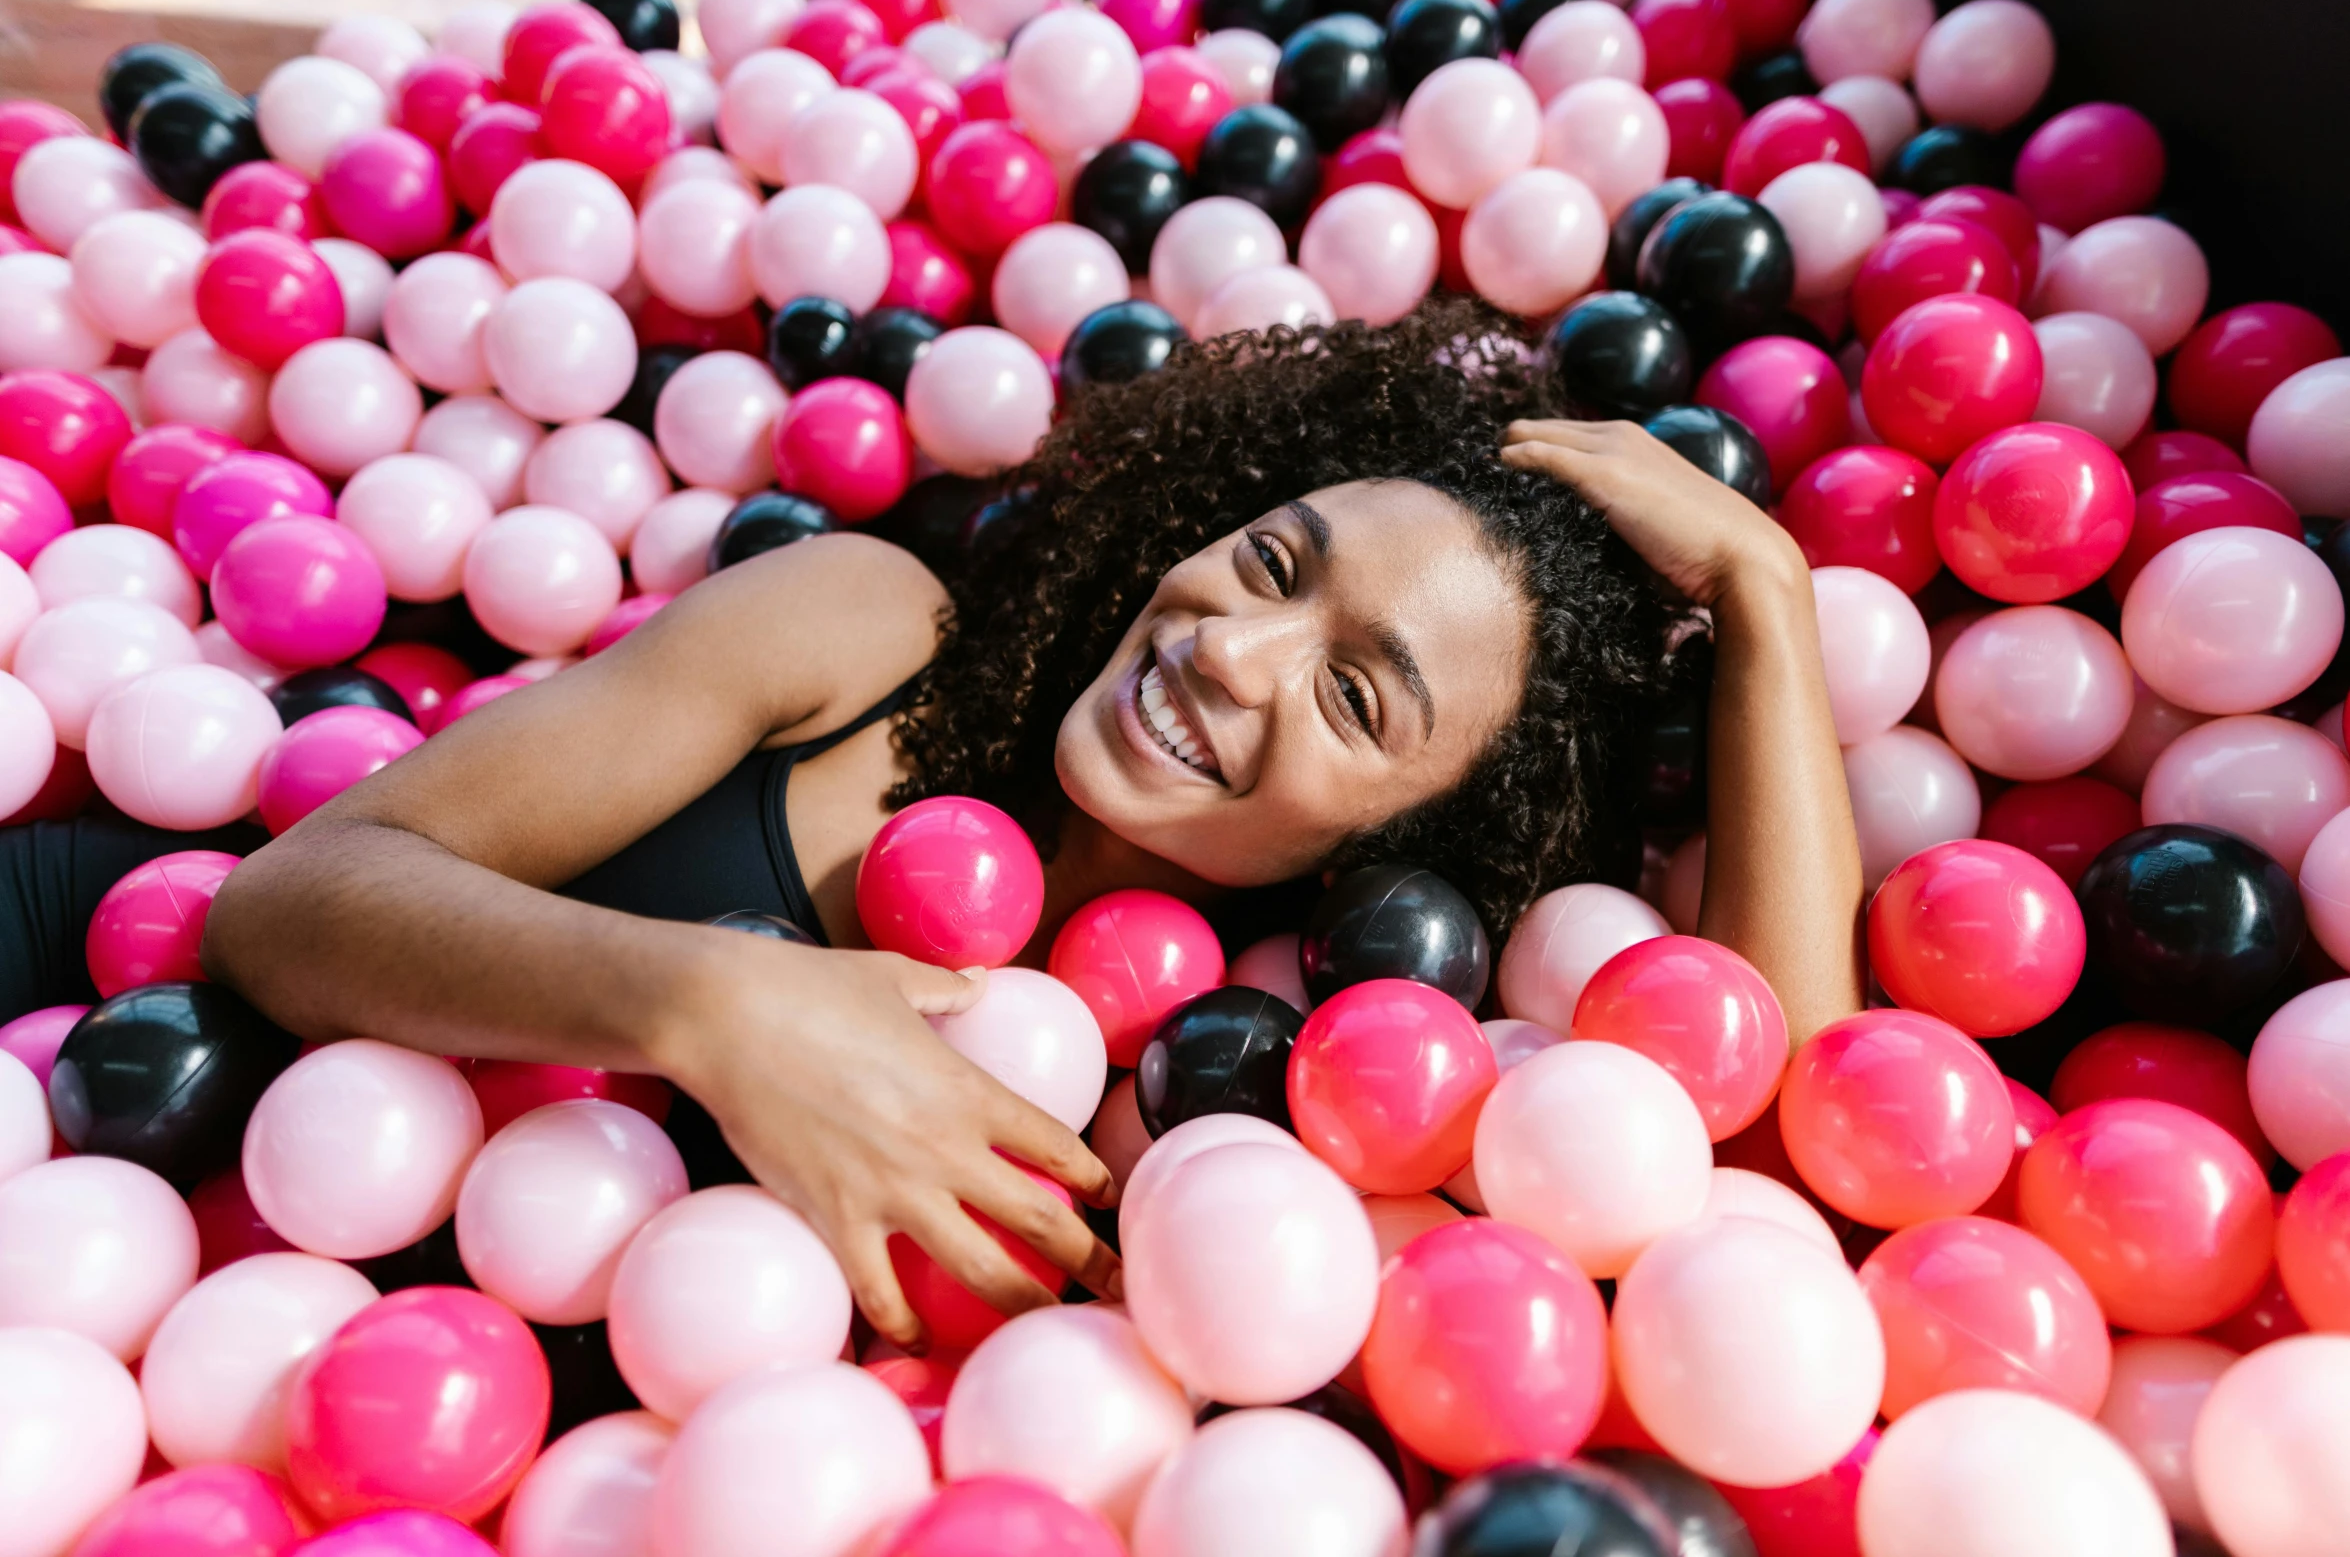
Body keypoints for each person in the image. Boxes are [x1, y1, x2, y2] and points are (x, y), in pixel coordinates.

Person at [12, 303, 1864, 1347]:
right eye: (1277, 561)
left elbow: (1768, 1177)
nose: (1230, 649)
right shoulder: (866, 637)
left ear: (1429, 844)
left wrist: (1767, 614)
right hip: (80, 1048)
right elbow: (293, 900)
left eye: (1359, 693)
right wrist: (720, 1010)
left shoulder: (1309, 1068)